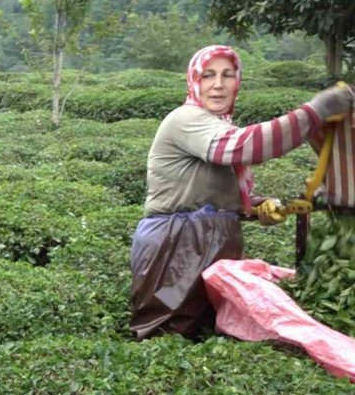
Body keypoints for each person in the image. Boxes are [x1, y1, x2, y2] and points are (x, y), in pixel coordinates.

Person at [130, 45, 354, 340]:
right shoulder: (185, 119)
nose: (218, 84)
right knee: (169, 336)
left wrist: (254, 206)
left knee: (208, 335)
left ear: (238, 82)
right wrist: (314, 113)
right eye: (208, 75)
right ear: (193, 81)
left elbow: (210, 195)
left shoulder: (217, 124)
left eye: (228, 75)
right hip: (178, 246)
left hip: (212, 242)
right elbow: (243, 146)